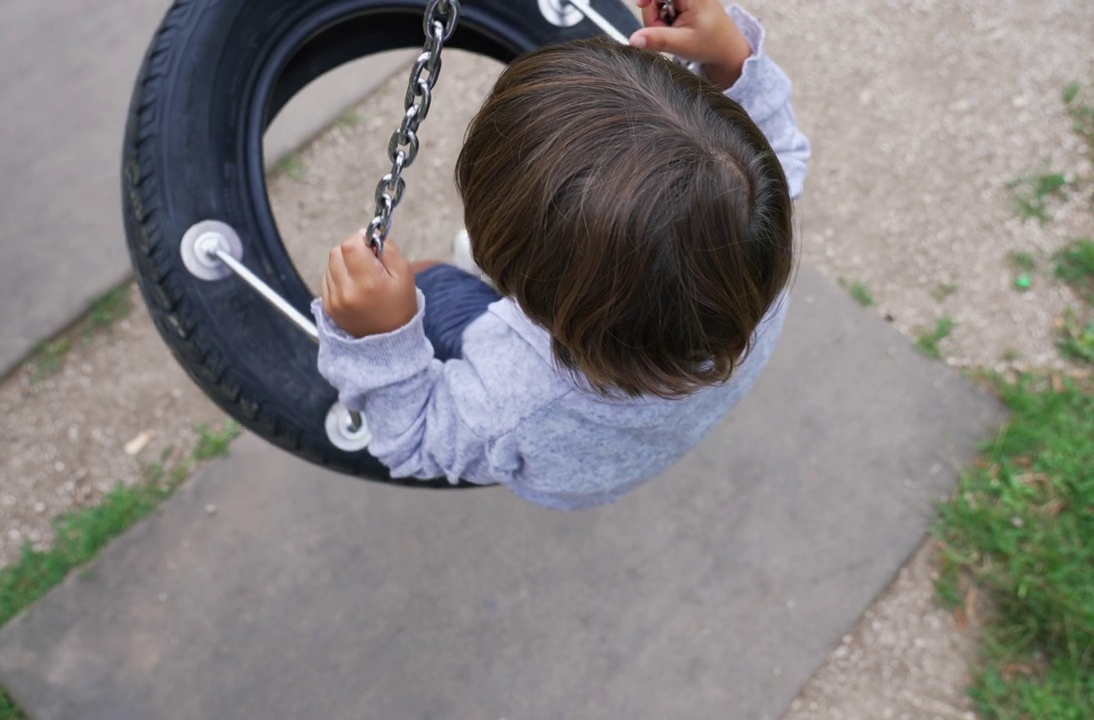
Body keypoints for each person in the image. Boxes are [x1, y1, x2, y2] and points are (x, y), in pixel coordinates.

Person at [313, 0, 810, 509]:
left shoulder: (516, 396)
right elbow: (780, 146)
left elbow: (414, 438)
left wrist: (381, 337)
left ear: (505, 268)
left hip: (566, 467)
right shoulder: (757, 224)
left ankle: (458, 286)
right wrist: (729, 57)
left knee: (427, 280)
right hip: (654, 425)